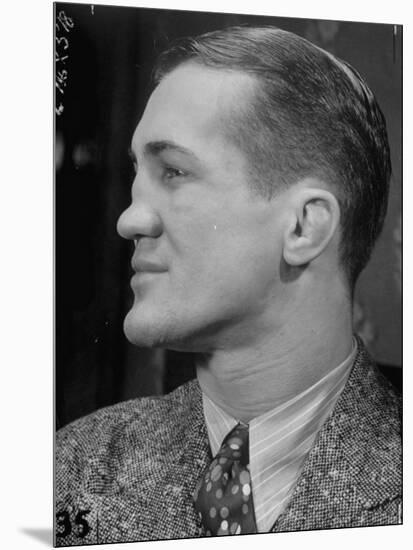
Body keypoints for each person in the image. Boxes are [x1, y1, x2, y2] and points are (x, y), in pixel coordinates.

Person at [55, 25, 401, 545]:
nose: (129, 220)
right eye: (137, 175)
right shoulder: (68, 469)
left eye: (173, 171)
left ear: (304, 227)